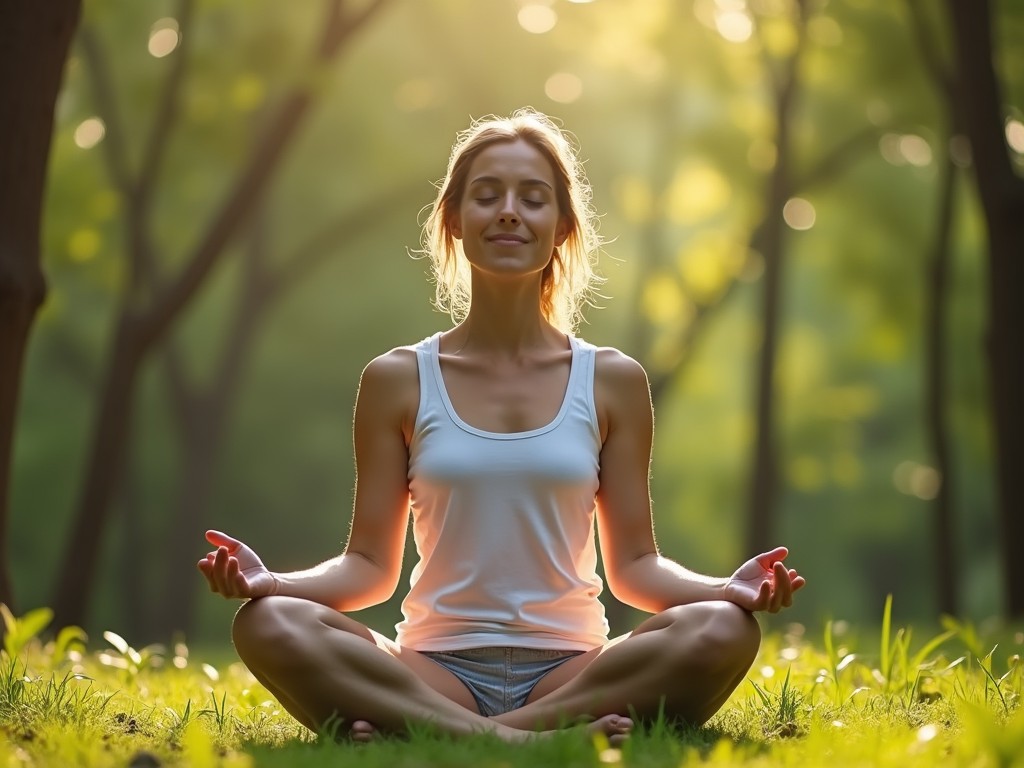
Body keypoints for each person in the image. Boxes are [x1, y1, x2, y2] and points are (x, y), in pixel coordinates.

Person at [198, 108, 805, 743]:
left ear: (561, 228)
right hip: (432, 669)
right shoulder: (396, 378)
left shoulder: (613, 380)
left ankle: (438, 738)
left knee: (723, 627)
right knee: (267, 622)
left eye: (533, 199)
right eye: (487, 196)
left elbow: (636, 566)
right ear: (456, 221)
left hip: (573, 671)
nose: (509, 211)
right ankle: (532, 744)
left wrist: (725, 589)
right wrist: (274, 583)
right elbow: (369, 565)